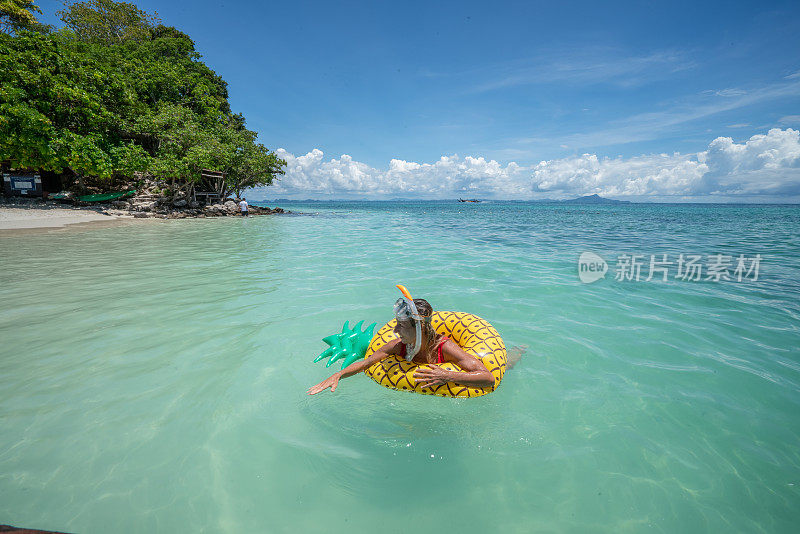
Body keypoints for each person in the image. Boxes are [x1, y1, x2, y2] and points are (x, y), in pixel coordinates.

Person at [307, 289, 498, 395]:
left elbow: (488, 378)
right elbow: (366, 363)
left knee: (511, 364)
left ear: (419, 328)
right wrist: (338, 374)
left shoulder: (445, 348)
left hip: (454, 374)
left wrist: (449, 376)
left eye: (401, 326)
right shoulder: (399, 346)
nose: (395, 330)